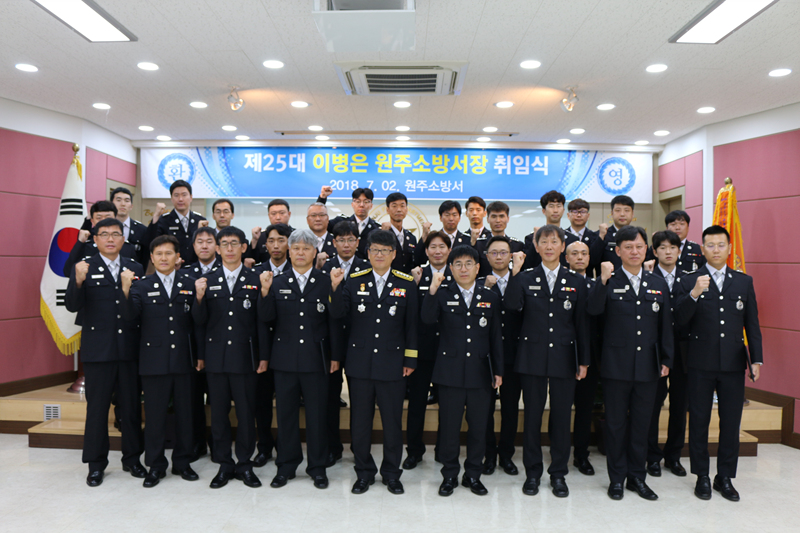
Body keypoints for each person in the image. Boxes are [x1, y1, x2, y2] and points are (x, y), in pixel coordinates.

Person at [675, 225, 763, 502]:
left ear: (729, 248)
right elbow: (679, 321)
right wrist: (693, 294)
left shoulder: (743, 281)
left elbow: (752, 324)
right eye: (710, 245)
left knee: (731, 422)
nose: (715, 250)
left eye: (720, 245)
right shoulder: (689, 280)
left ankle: (724, 476)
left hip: (733, 364)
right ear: (702, 249)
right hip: (700, 363)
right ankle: (701, 475)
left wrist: (757, 359)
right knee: (699, 420)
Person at [329, 230, 418, 495]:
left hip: (394, 364)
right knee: (360, 423)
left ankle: (391, 473)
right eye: (375, 250)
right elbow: (338, 314)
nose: (379, 254)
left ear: (394, 254)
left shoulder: (406, 283)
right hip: (360, 363)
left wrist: (410, 359)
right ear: (367, 253)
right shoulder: (354, 280)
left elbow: (412, 325)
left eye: (385, 250)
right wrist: (335, 287)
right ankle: (364, 473)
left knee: (392, 423)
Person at [587, 226, 673, 501]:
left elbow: (665, 326)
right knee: (615, 425)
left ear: (646, 249)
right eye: (628, 247)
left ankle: (637, 477)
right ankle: (616, 479)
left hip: (648, 366)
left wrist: (666, 359)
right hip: (615, 366)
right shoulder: (608, 281)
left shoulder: (658, 283)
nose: (634, 252)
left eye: (639, 246)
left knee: (641, 425)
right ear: (618, 251)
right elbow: (593, 311)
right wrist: (601, 282)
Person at [505, 226, 590, 498]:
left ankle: (558, 473)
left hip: (565, 358)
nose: (550, 246)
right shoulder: (525, 277)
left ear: (563, 247)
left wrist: (584, 360)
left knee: (562, 418)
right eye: (544, 242)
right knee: (532, 417)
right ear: (536, 246)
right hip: (532, 357)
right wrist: (515, 272)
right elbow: (511, 306)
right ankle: (532, 473)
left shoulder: (576, 281)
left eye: (555, 241)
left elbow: (581, 324)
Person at [64, 218, 145, 487]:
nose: (110, 239)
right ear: (95, 239)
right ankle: (96, 464)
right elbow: (72, 305)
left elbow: (138, 307)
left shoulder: (134, 267)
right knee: (97, 410)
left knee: (130, 409)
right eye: (104, 234)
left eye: (115, 234)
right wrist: (77, 281)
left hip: (129, 349)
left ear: (123, 239)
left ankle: (132, 459)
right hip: (98, 351)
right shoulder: (84, 267)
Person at [258, 229, 338, 490]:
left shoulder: (325, 281)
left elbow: (335, 322)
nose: (301, 252)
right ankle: (286, 465)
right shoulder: (276, 281)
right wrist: (264, 292)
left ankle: (317, 467)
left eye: (306, 248)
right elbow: (266, 319)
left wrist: (335, 356)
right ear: (289, 252)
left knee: (317, 416)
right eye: (296, 248)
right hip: (284, 361)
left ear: (315, 252)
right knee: (286, 416)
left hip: (317, 360)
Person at [421, 245, 503, 496]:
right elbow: (426, 319)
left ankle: (473, 475)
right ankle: (449, 475)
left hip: (481, 373)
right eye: (458, 264)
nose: (463, 269)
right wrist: (432, 290)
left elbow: (496, 337)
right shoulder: (442, 293)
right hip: (450, 373)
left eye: (468, 264)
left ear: (478, 268)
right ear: (450, 268)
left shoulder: (490, 296)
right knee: (449, 428)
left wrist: (498, 371)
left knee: (478, 428)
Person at [192, 226, 268, 489]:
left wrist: (263, 356)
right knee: (219, 415)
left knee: (246, 414)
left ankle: (245, 464)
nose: (229, 249)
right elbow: (199, 322)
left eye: (234, 243)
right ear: (217, 248)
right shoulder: (207, 280)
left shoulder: (255, 279)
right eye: (224, 244)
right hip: (216, 358)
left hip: (246, 357)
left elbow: (262, 322)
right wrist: (198, 298)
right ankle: (224, 463)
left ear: (244, 247)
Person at [122, 235, 198, 487]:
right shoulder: (141, 286)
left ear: (178, 257)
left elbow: (197, 323)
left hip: (184, 360)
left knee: (185, 415)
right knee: (155, 417)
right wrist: (124, 290)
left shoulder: (190, 284)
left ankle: (182, 462)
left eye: (169, 253)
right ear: (152, 258)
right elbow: (130, 318)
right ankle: (155, 465)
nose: (164, 258)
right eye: (159, 254)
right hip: (153, 361)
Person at [319, 221, 370, 467]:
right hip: (331, 343)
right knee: (331, 398)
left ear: (358, 242)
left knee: (360, 399)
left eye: (351, 239)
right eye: (341, 240)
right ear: (334, 243)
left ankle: (359, 448)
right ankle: (333, 447)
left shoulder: (368, 267)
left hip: (361, 343)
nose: (346, 244)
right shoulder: (324, 268)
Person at [403, 231, 452, 470]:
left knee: (448, 405)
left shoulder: (459, 275)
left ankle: (443, 450)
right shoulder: (417, 276)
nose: (437, 251)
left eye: (442, 246)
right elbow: (410, 318)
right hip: (422, 352)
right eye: (433, 247)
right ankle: (414, 451)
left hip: (448, 352)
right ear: (426, 251)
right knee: (416, 404)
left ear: (449, 250)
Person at [645, 231, 692, 479]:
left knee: (680, 404)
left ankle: (673, 456)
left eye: (673, 247)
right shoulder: (647, 278)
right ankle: (652, 456)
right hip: (655, 350)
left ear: (679, 251)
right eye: (662, 247)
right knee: (653, 404)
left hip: (683, 350)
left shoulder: (690, 279)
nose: (668, 252)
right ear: (655, 252)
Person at [480, 236, 523, 477]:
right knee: (485, 409)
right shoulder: (478, 283)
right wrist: (486, 290)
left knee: (510, 408)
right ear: (487, 257)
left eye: (503, 252)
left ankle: (506, 454)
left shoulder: (522, 280)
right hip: (485, 357)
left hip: (514, 356)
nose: (499, 257)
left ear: (511, 256)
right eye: (494, 253)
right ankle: (488, 454)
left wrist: (515, 276)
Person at [181, 226, 220, 461]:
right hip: (192, 347)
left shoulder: (225, 270)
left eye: (209, 241)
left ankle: (218, 444)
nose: (204, 245)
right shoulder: (185, 274)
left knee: (218, 400)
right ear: (193, 246)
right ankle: (197, 443)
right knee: (193, 399)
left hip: (219, 346)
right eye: (200, 242)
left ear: (217, 245)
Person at [566, 241, 602, 476]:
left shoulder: (597, 285)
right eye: (574, 253)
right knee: (560, 407)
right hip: (562, 354)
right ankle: (558, 450)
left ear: (589, 258)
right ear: (566, 257)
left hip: (590, 356)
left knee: (585, 407)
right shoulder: (559, 283)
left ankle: (581, 454)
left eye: (584, 254)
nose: (579, 257)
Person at [63, 201, 137, 277]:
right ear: (92, 221)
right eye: (99, 218)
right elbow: (68, 271)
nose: (104, 221)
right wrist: (80, 242)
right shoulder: (85, 245)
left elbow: (136, 273)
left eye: (108, 217)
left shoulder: (128, 247)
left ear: (115, 219)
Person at [146, 180, 207, 266]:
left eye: (184, 195)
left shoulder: (200, 220)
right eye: (176, 195)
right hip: (172, 267)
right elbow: (152, 243)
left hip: (196, 267)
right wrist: (155, 217)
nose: (180, 199)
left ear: (191, 197)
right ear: (171, 198)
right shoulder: (164, 220)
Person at [318, 186, 380, 259]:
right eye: (358, 201)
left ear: (371, 205)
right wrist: (322, 198)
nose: (361, 205)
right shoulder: (341, 222)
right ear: (352, 204)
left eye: (366, 202)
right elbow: (321, 224)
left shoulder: (377, 229)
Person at [474, 201, 524, 276]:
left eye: (501, 216)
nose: (498, 221)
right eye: (494, 217)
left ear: (508, 219)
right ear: (488, 219)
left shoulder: (518, 245)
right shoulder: (479, 245)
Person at [415, 200, 470, 265]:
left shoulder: (467, 239)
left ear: (459, 218)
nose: (451, 218)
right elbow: (419, 260)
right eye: (447, 215)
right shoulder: (433, 238)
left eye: (454, 215)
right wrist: (424, 238)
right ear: (441, 217)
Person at [589, 195, 634, 272]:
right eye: (618, 210)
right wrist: (601, 238)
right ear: (612, 213)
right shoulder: (601, 235)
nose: (622, 214)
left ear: (632, 214)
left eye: (626, 210)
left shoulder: (638, 236)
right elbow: (592, 261)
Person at [111, 187, 148, 264]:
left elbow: (144, 257)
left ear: (131, 206)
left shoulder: (142, 229)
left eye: (127, 201)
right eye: (118, 200)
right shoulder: (104, 228)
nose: (123, 204)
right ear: (111, 204)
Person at [382, 192, 418, 274]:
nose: (399, 209)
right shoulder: (380, 233)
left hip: (407, 279)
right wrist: (383, 235)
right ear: (387, 210)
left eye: (402, 206)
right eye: (394, 206)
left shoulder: (411, 238)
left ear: (406, 209)